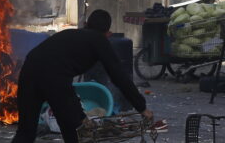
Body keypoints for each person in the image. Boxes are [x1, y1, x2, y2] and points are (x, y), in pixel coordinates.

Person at [11, 9, 153, 143]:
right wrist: (141, 107)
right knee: (74, 132)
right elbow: (119, 76)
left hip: (28, 72)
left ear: (86, 24)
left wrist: (79, 115)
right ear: (108, 33)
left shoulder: (70, 34)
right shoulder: (99, 39)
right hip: (55, 79)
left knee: (26, 132)